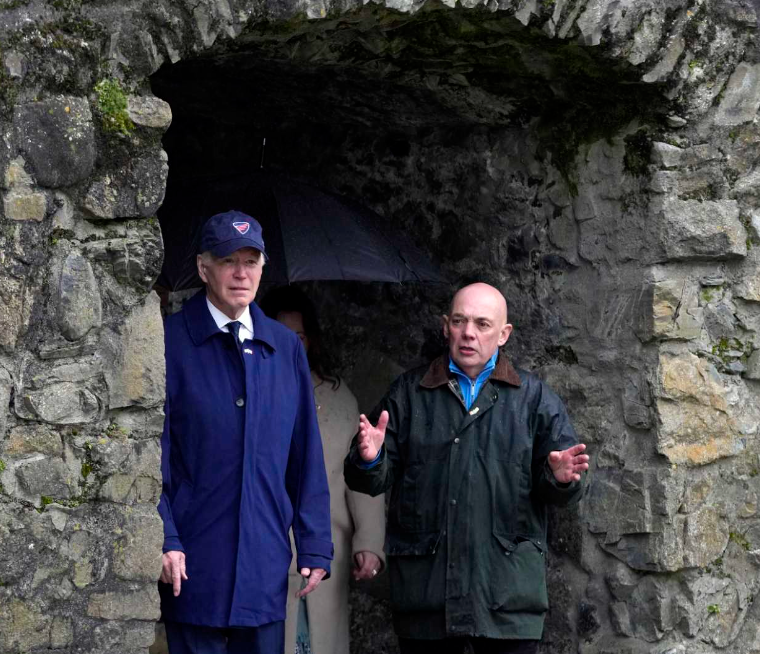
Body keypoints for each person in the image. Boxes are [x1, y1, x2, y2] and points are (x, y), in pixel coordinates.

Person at [344, 282, 589, 654]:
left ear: (504, 334)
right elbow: (369, 478)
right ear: (446, 327)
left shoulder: (534, 398)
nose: (468, 333)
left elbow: (561, 491)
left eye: (482, 324)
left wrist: (558, 479)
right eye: (459, 321)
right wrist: (369, 457)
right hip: (427, 602)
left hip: (506, 603)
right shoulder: (409, 394)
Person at [158, 211, 333, 654]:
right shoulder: (169, 342)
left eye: (251, 261)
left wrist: (314, 545)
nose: (241, 273)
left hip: (263, 569)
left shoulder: (284, 346)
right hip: (193, 568)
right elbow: (153, 453)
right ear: (203, 268)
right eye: (228, 260)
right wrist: (166, 536)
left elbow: (304, 455)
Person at [261, 286, 386, 654]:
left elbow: (360, 475)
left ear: (310, 340)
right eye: (279, 334)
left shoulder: (337, 398)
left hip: (325, 549)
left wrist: (369, 543)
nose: (289, 345)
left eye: (297, 336)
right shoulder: (247, 389)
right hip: (263, 551)